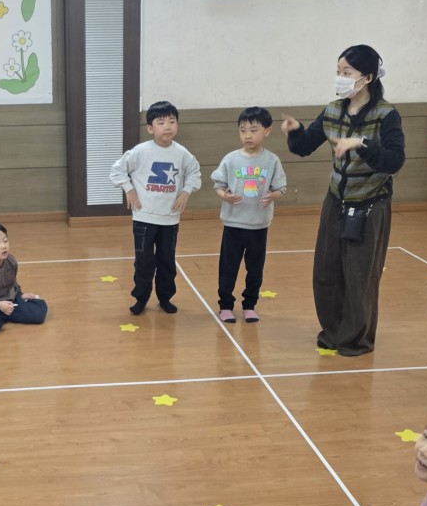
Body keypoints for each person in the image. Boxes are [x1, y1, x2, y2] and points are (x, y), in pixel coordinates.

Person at [282, 45, 405, 356]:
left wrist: (361, 143)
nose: (340, 78)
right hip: (336, 199)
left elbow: (394, 161)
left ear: (367, 78)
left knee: (360, 274)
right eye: (338, 72)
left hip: (370, 202)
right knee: (326, 270)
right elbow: (305, 146)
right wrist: (295, 132)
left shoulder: (386, 114)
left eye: (347, 72)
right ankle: (333, 331)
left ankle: (356, 339)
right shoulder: (333, 110)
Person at [109, 100, 202, 315]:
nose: (167, 126)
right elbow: (117, 170)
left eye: (172, 121)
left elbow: (194, 173)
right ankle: (141, 298)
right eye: (161, 122)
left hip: (170, 219)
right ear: (151, 128)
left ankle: (165, 297)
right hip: (143, 218)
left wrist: (186, 191)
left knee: (167, 261)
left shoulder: (182, 153)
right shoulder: (141, 151)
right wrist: (129, 189)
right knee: (143, 262)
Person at [212, 106, 287, 323]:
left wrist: (272, 196)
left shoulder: (272, 161)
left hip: (258, 225)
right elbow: (218, 185)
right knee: (228, 268)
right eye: (243, 130)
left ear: (267, 131)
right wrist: (225, 196)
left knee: (255, 269)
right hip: (233, 224)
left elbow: (280, 189)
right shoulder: (231, 159)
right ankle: (225, 305)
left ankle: (249, 305)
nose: (248, 135)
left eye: (253, 130)